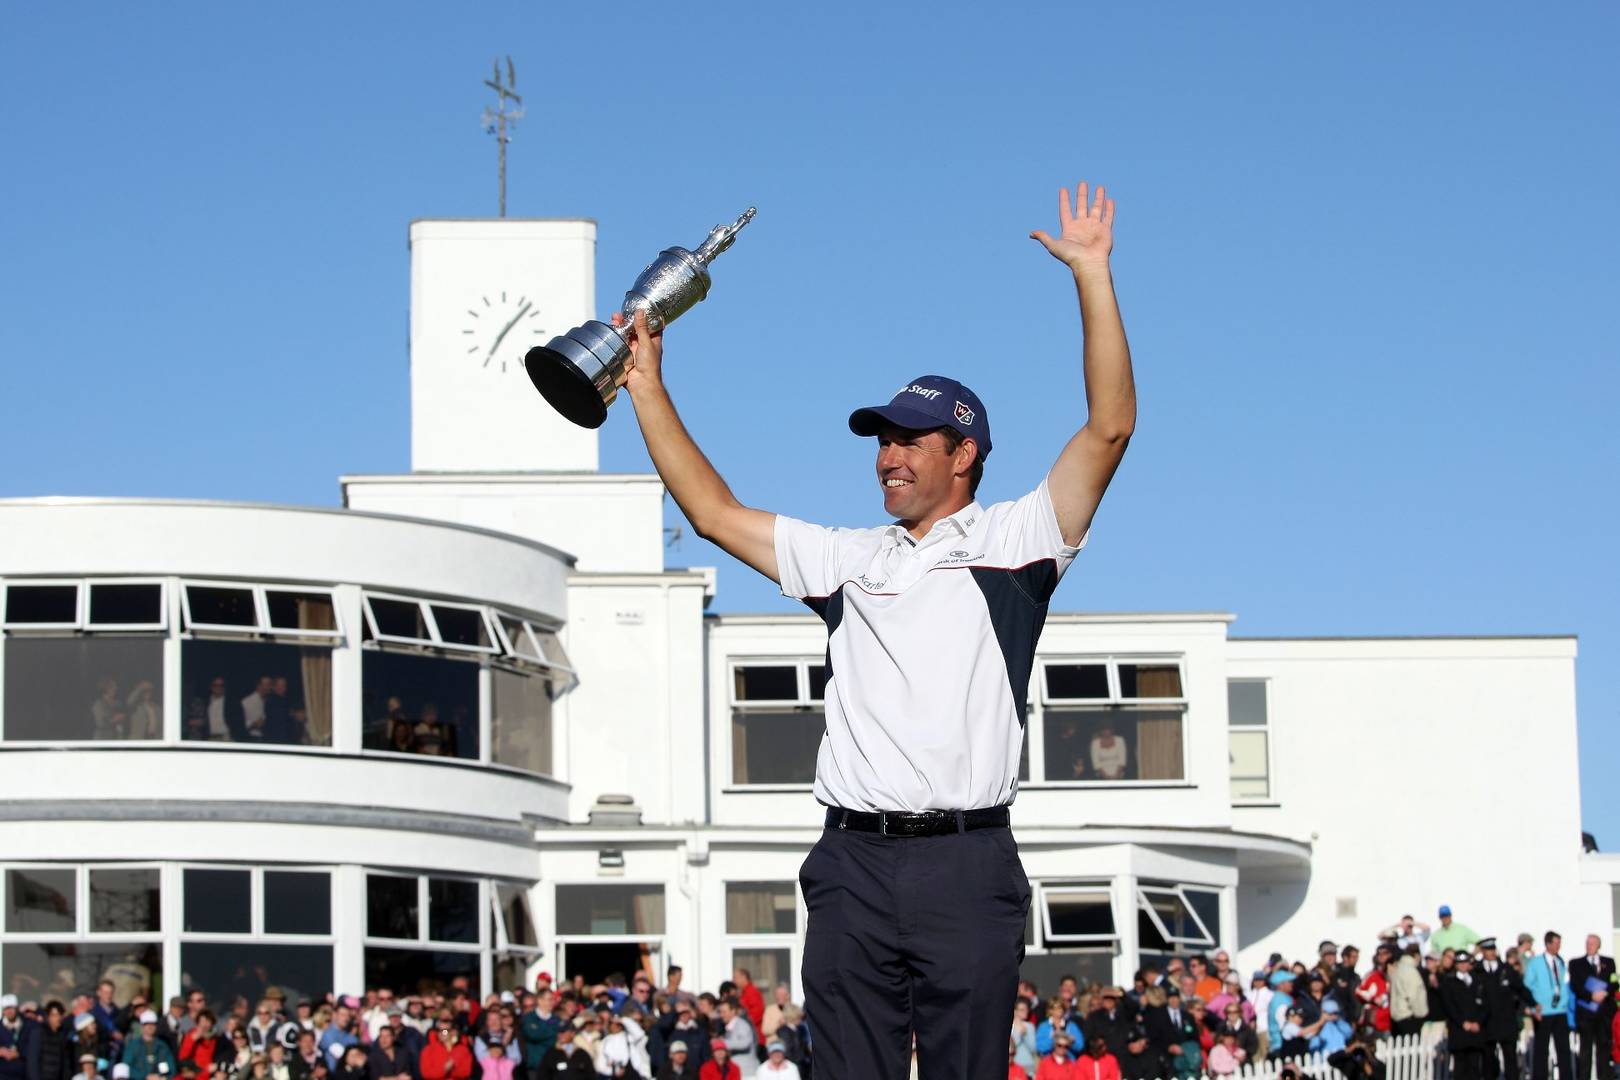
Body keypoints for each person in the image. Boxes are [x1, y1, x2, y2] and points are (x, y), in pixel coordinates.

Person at [615, 182, 1132, 1080]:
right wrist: (647, 387)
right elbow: (710, 511)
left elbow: (1109, 427)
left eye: (911, 439)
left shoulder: (1017, 540)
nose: (888, 455)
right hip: (850, 861)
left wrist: (1092, 273)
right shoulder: (849, 556)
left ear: (962, 452)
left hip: (968, 863)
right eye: (881, 438)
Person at [1523, 931, 1575, 1080]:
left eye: (1560, 943)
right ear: (1548, 944)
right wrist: (1534, 1007)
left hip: (1560, 1011)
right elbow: (1527, 986)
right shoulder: (1536, 962)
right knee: (1541, 1049)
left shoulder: (1560, 961)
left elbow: (1564, 984)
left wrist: (1564, 1003)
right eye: (1556, 943)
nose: (1559, 946)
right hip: (1543, 1012)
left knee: (1563, 1048)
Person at [1475, 938, 1525, 1080]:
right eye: (1488, 950)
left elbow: (1520, 989)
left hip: (1506, 1022)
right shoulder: (1477, 970)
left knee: (1510, 1059)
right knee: (1488, 1060)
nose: (1491, 953)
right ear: (1483, 951)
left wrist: (1532, 1004)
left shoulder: (1506, 969)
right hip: (1487, 1023)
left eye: (1493, 949)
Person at [1570, 934, 1615, 1080]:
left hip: (1603, 1014)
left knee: (1603, 1050)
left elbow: (1614, 982)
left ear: (1598, 945)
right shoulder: (1576, 963)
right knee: (1585, 1052)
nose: (1589, 946)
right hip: (1586, 1014)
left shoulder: (1608, 962)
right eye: (1587, 943)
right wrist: (1591, 996)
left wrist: (1605, 992)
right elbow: (1575, 985)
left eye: (1592, 944)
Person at [1441, 952, 1491, 1080]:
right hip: (1459, 1032)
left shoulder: (1477, 981)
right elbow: (1449, 1006)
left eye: (1465, 962)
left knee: (1474, 1067)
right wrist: (1463, 1022)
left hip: (1475, 1032)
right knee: (1460, 1068)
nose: (1463, 965)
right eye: (1460, 963)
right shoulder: (1449, 982)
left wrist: (1478, 1022)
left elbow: (1485, 1004)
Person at [121, 1012, 178, 1080]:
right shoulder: (133, 1045)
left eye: (153, 1024)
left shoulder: (162, 1046)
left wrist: (164, 1077)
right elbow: (126, 1067)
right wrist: (145, 1076)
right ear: (142, 1026)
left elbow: (171, 1068)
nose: (150, 1027)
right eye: (147, 1024)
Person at [1389, 944, 1429, 1037]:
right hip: (1409, 1016)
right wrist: (1421, 1013)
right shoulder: (1410, 971)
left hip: (1399, 1015)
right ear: (1416, 955)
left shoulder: (1399, 968)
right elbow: (1413, 996)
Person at [2, 995, 27, 1080]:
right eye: (6, 1008)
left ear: (16, 1008)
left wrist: (18, 1053)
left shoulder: (26, 1026)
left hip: (21, 1075)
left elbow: (32, 1048)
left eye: (11, 1008)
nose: (9, 1011)